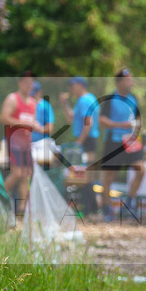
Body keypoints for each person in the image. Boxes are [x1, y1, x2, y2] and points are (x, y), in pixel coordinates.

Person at [98, 68, 146, 222]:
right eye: (128, 80)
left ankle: (130, 203)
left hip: (131, 141)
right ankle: (107, 208)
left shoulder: (133, 99)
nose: (131, 83)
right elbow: (102, 121)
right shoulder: (110, 99)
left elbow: (137, 119)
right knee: (109, 176)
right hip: (114, 140)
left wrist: (137, 128)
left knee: (141, 170)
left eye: (132, 79)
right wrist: (120, 125)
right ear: (120, 82)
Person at [0, 71, 44, 215]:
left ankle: (21, 209)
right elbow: (4, 118)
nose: (28, 86)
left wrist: (36, 126)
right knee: (17, 173)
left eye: (30, 83)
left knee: (27, 174)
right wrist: (22, 123)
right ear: (20, 83)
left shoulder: (33, 103)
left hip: (26, 144)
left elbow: (32, 121)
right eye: (26, 82)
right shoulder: (12, 99)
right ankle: (0, 198)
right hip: (13, 142)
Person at [61, 76, 100, 215]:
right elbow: (71, 118)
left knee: (84, 175)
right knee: (85, 174)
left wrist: (79, 143)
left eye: (72, 86)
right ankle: (91, 208)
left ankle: (90, 208)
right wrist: (65, 104)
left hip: (87, 139)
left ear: (80, 85)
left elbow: (88, 122)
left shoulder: (85, 100)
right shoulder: (82, 100)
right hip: (87, 139)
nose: (70, 89)